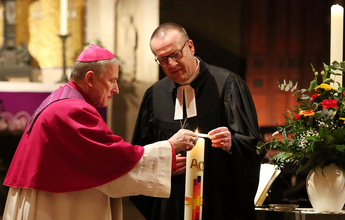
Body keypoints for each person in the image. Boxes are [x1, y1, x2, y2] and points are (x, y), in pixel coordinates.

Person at [2, 44, 198, 220]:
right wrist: (169, 147)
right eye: (112, 81)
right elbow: (113, 160)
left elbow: (103, 160)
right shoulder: (72, 110)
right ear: (90, 78)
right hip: (52, 207)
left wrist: (162, 161)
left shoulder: (63, 100)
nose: (117, 89)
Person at [130, 23, 264, 220]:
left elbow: (254, 146)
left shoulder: (227, 86)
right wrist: (163, 164)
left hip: (217, 204)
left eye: (176, 54)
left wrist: (231, 143)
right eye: (163, 59)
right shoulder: (154, 96)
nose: (172, 64)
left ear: (190, 47)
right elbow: (140, 154)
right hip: (170, 206)